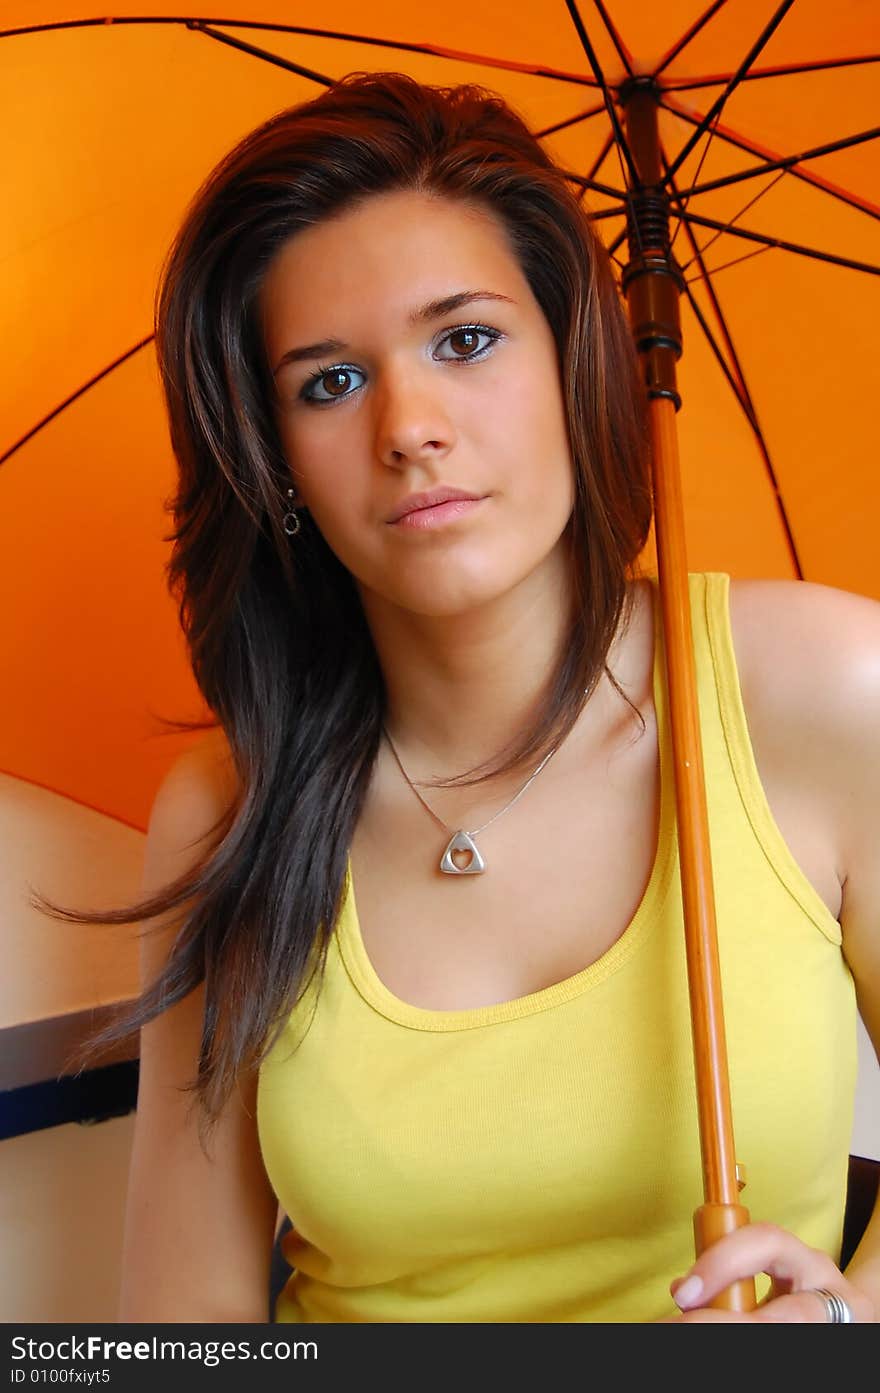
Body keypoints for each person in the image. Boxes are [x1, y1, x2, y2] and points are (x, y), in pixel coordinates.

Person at [47, 71, 878, 1323]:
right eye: (328, 382)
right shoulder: (230, 808)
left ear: (572, 360)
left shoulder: (819, 689)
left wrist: (838, 1329)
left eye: (466, 339)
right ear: (274, 464)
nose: (410, 425)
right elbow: (188, 1325)